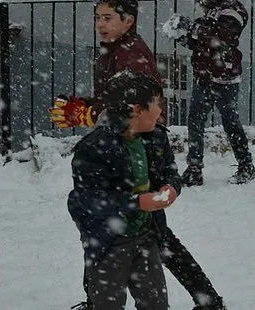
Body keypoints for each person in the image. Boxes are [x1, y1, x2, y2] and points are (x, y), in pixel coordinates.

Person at [50, 1, 226, 309]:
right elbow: (117, 103)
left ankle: (206, 300)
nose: (100, 24)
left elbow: (130, 108)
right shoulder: (114, 49)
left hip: (137, 145)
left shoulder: (131, 55)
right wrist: (87, 107)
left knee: (123, 234)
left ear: (128, 20)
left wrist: (88, 113)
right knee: (132, 232)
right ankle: (208, 300)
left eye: (107, 17)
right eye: (97, 17)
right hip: (128, 144)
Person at [68, 71, 173, 309]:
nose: (160, 110)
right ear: (136, 110)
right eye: (157, 104)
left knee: (156, 303)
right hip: (109, 243)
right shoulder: (95, 148)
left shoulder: (155, 137)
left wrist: (171, 187)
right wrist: (137, 202)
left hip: (146, 237)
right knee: (108, 304)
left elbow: (170, 170)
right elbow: (89, 198)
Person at [165, 0, 255, 186]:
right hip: (204, 77)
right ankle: (194, 169)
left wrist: (191, 28)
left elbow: (223, 38)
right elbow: (201, 44)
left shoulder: (233, 10)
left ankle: (246, 165)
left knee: (230, 122)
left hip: (225, 79)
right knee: (195, 121)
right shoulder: (210, 12)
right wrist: (181, 36)